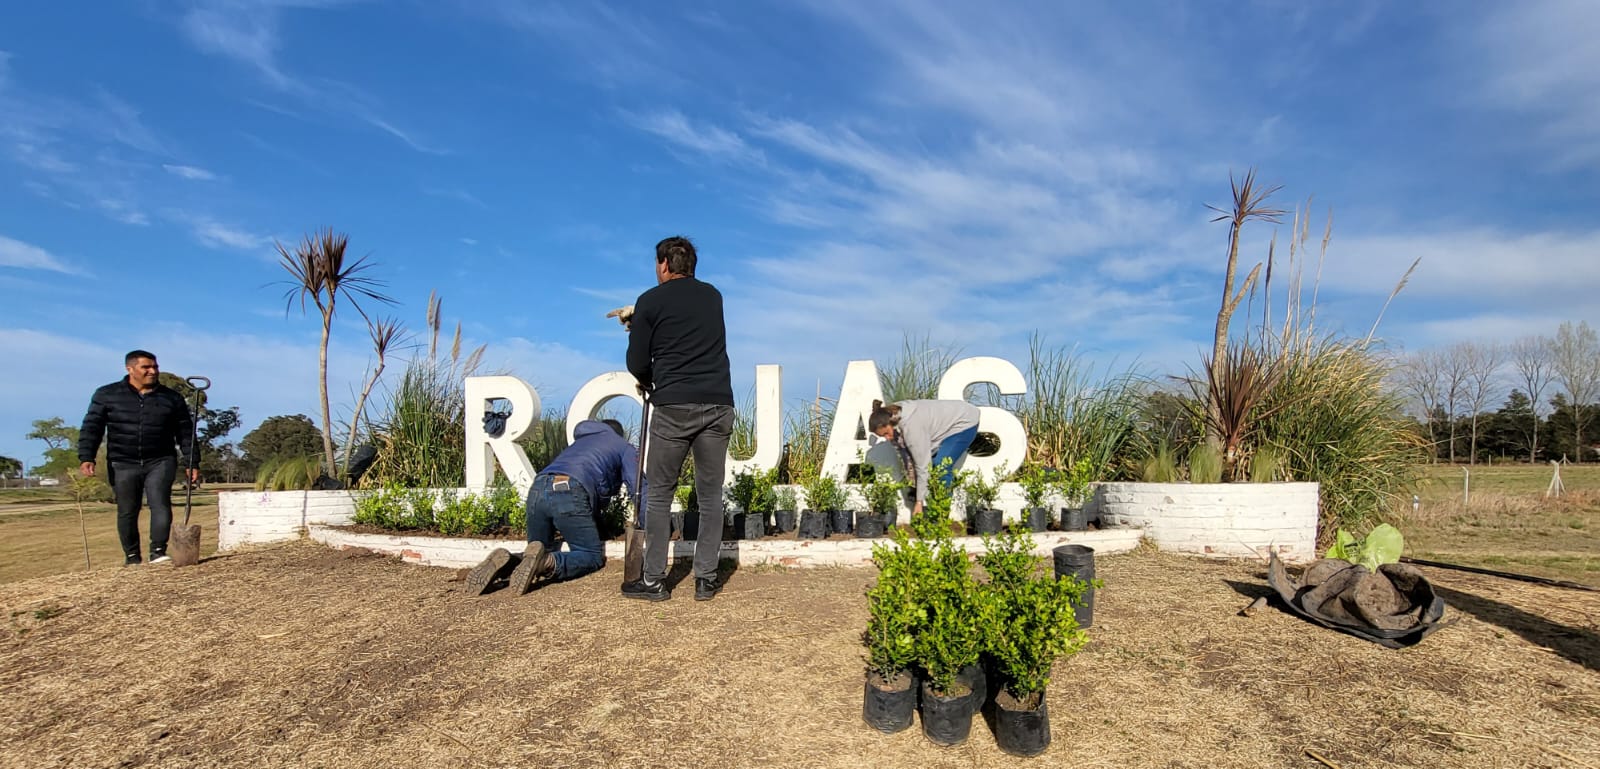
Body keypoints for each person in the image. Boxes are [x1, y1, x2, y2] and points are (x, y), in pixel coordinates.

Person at [622, 235, 735, 602]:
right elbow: (690, 332)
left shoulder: (649, 301)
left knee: (658, 494)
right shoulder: (713, 296)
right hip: (718, 404)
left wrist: (639, 331)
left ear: (664, 265)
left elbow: (637, 361)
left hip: (673, 406)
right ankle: (705, 579)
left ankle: (654, 581)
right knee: (709, 495)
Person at [464, 419, 642, 596]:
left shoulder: (580, 443)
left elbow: (589, 504)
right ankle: (548, 562)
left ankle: (508, 561)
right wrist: (650, 523)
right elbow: (638, 489)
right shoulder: (622, 445)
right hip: (570, 490)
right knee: (590, 555)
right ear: (619, 434)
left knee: (535, 550)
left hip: (538, 487)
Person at [78, 350, 199, 566]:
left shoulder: (171, 398)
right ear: (130, 369)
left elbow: (185, 432)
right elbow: (92, 427)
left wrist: (192, 461)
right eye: (146, 367)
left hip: (160, 459)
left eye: (155, 367)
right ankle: (132, 556)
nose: (153, 371)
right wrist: (87, 456)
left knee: (160, 503)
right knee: (127, 509)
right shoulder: (107, 394)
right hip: (122, 461)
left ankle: (158, 553)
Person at [868, 399, 981, 517]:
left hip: (965, 421)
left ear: (890, 423)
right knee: (927, 460)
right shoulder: (893, 413)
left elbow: (923, 465)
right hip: (950, 419)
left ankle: (941, 513)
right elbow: (908, 454)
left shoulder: (912, 427)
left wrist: (919, 502)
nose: (887, 438)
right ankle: (934, 506)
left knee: (941, 465)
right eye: (883, 436)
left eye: (886, 433)